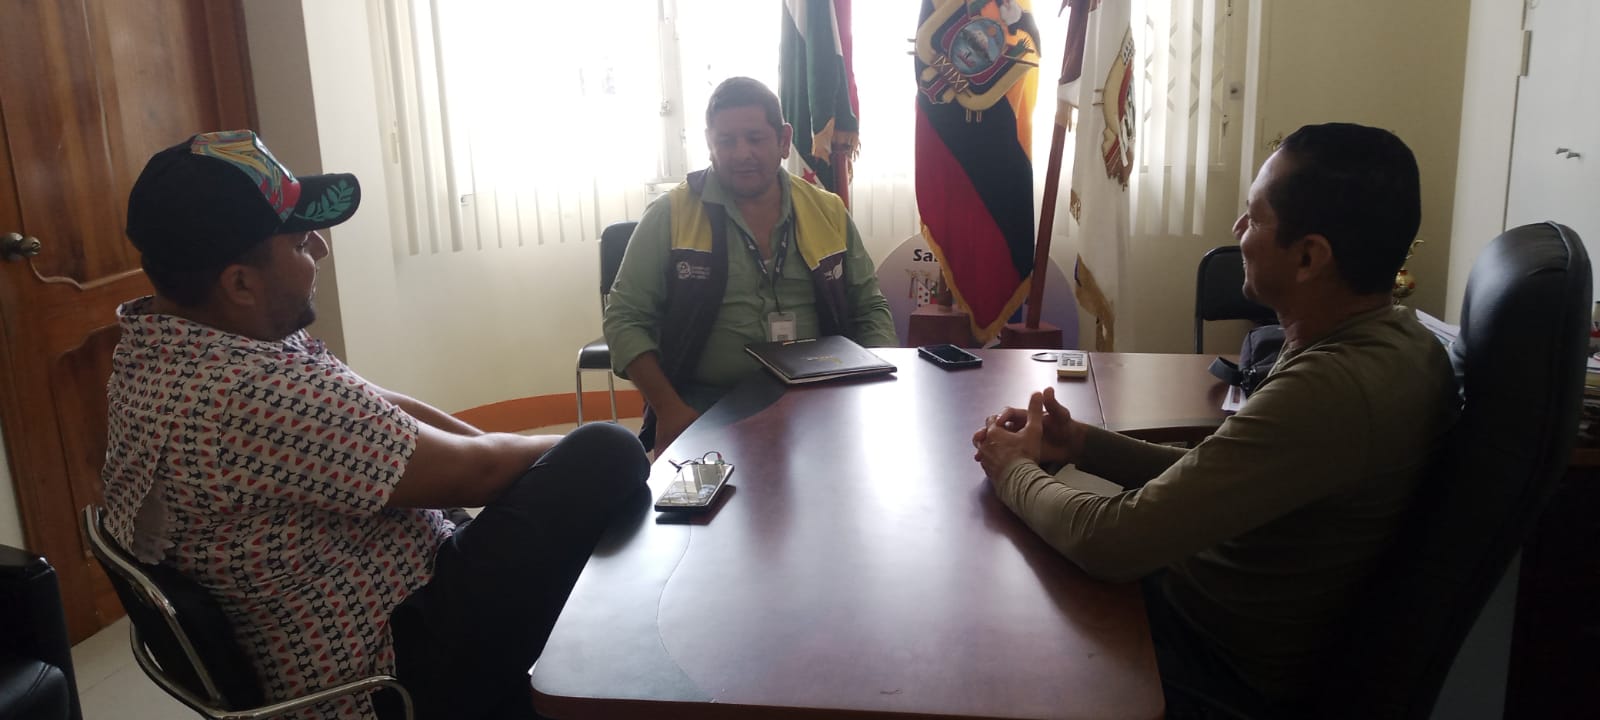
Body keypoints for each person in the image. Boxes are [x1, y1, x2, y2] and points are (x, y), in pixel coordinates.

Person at [101, 130, 650, 720]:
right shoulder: (246, 393)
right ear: (239, 282)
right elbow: (480, 474)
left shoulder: (168, 345)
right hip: (385, 676)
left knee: (558, 477)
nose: (320, 248)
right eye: (300, 242)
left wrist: (524, 463)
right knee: (608, 452)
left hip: (396, 596)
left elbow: (391, 411)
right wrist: (570, 457)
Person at [971, 123, 1460, 711]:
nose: (1237, 229)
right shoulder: (1389, 338)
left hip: (1207, 665)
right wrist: (1079, 443)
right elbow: (1211, 470)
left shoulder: (1334, 389)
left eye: (1255, 217)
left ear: (1309, 256)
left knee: (983, 640)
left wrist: (1013, 470)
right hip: (1193, 611)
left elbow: (1112, 542)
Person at [603, 76, 896, 451]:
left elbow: (869, 305)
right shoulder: (670, 214)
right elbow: (624, 318)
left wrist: (879, 389)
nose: (742, 153)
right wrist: (670, 411)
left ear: (784, 140)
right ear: (710, 143)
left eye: (755, 138)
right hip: (704, 404)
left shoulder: (828, 210)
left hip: (822, 398)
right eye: (727, 141)